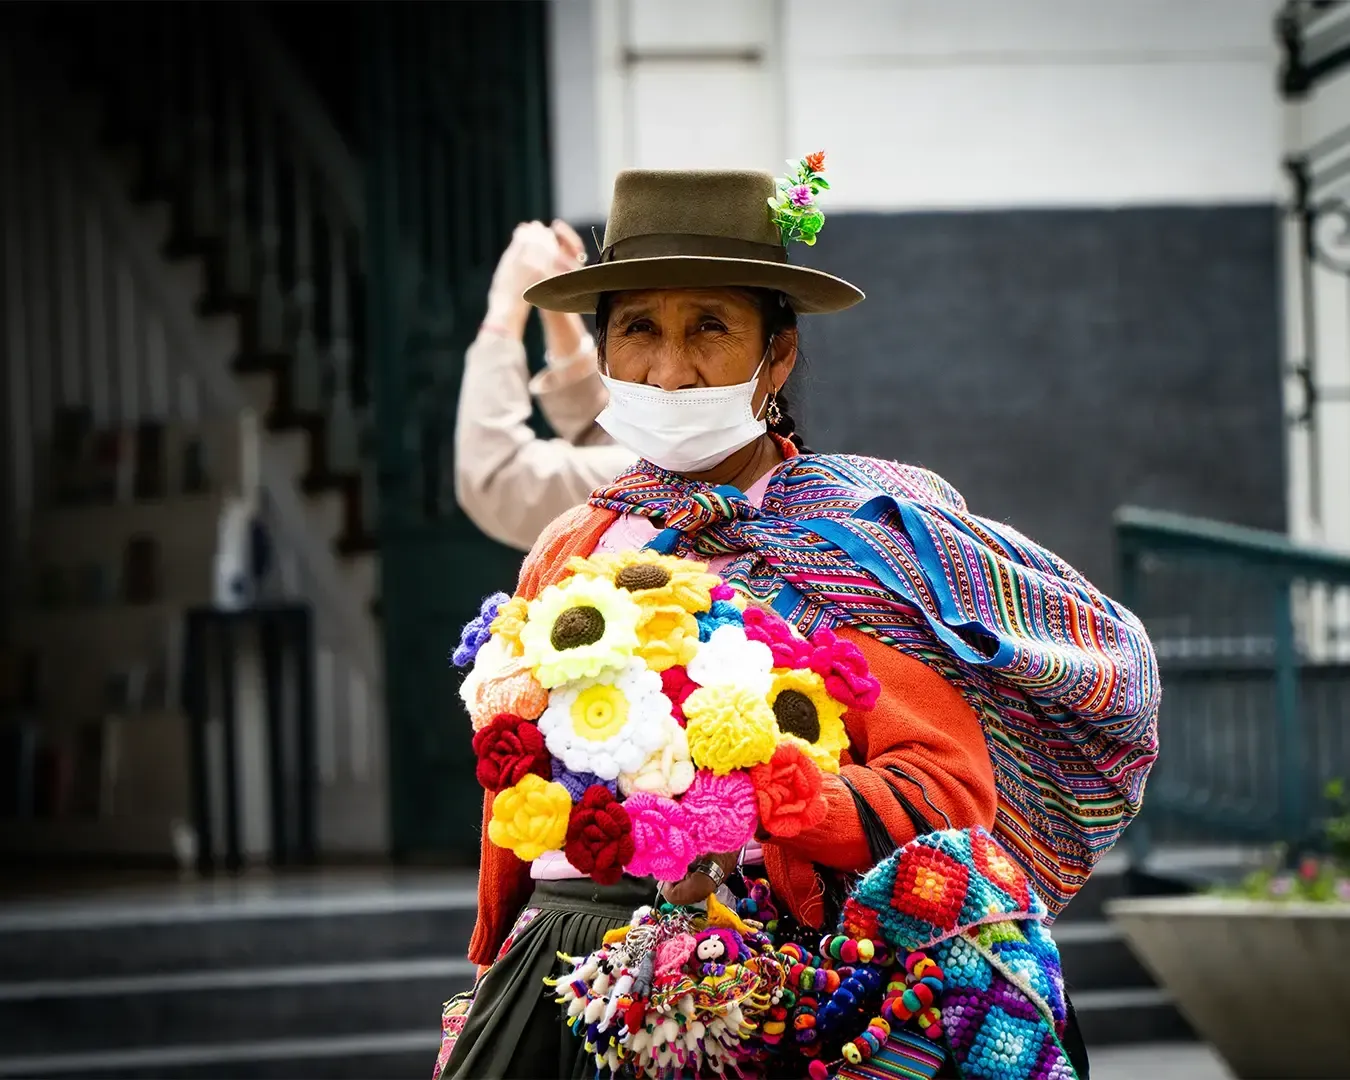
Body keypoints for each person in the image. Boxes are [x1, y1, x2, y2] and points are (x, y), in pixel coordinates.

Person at [440, 165, 1158, 1079]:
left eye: (709, 328)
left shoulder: (855, 547)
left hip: (743, 990)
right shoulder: (573, 543)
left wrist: (786, 803)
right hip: (553, 979)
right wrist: (492, 970)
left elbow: (946, 788)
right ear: (605, 355)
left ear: (775, 356)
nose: (670, 367)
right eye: (639, 330)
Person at [455, 219, 634, 551]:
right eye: (641, 327)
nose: (668, 369)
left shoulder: (679, 472)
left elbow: (498, 478)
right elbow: (608, 429)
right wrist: (554, 304)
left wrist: (504, 308)